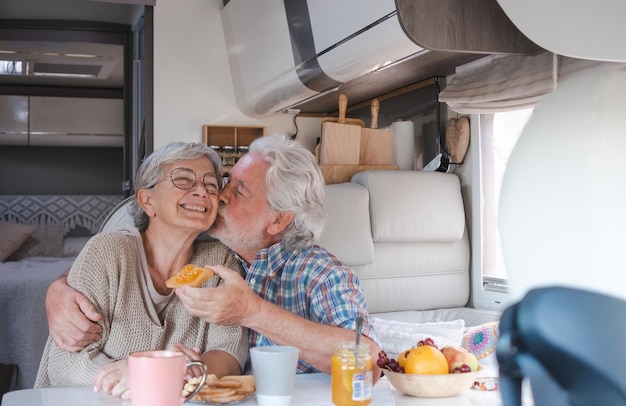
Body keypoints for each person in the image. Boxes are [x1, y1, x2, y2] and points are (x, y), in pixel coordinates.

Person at [45, 135, 381, 379]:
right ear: (147, 201)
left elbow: (369, 363)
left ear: (279, 220)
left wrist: (252, 313)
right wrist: (57, 288)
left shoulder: (314, 272)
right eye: (226, 183)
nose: (215, 195)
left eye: (238, 191)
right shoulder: (218, 252)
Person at [35, 142, 248, 398]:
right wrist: (150, 378)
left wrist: (185, 370)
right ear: (148, 201)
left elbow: (229, 352)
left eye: (211, 185)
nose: (202, 191)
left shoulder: (219, 261)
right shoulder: (108, 251)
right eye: (183, 180)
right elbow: (65, 367)